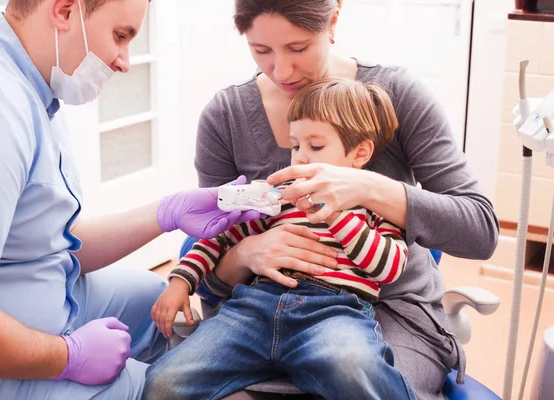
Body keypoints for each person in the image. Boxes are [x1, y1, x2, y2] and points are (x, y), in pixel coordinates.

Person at [152, 0, 500, 399]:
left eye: (298, 48)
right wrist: (248, 254)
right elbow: (215, 255)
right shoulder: (225, 117)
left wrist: (364, 189)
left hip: (385, 311)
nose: (281, 70)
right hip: (258, 310)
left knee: (355, 377)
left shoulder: (397, 95)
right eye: (260, 50)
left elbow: (480, 230)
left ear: (333, 21)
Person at [0, 0, 260, 399]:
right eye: (120, 36)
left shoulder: (33, 82)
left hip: (50, 290)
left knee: (159, 307)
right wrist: (67, 356)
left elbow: (53, 238)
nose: (124, 62)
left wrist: (166, 212)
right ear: (64, 11)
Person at [145, 77, 417, 400]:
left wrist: (334, 213)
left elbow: (389, 267)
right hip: (253, 311)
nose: (300, 157)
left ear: (359, 153)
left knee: (355, 368)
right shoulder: (277, 197)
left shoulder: (375, 206)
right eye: (295, 145)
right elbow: (218, 238)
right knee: (163, 382)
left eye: (315, 147)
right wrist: (180, 282)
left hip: (334, 314)